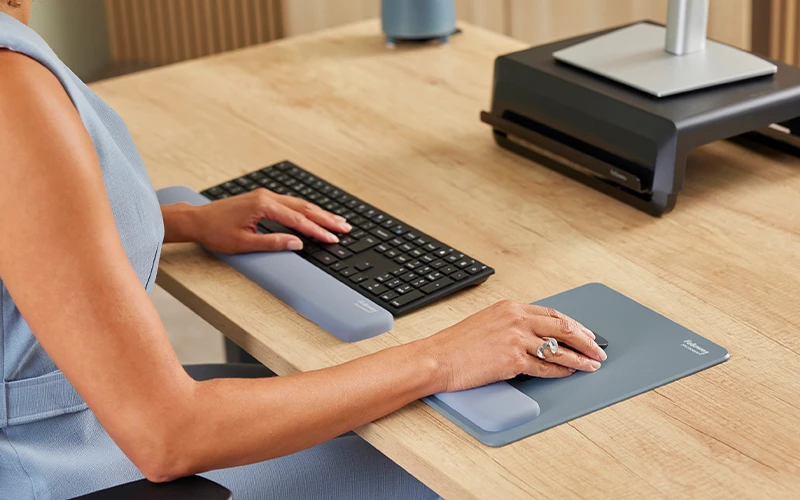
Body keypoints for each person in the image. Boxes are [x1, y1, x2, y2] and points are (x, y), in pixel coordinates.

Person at [0, 2, 607, 499]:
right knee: (463, 466)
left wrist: (178, 220)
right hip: (61, 462)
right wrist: (442, 357)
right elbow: (168, 436)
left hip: (69, 425)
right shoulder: (10, 89)